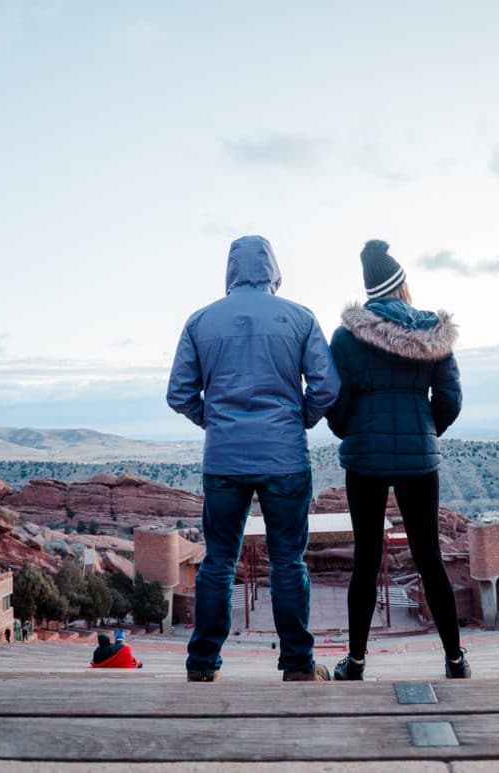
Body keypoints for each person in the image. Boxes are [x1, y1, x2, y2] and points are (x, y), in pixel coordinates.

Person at [167, 235, 340, 683]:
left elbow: (179, 394)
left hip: (223, 459)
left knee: (219, 562)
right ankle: (299, 665)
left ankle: (202, 665)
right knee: (288, 562)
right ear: (272, 269)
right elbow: (327, 387)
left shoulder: (200, 321)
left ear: (230, 270)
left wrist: (216, 421)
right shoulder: (299, 318)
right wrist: (297, 418)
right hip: (285, 457)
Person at [326, 239, 469, 680]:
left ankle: (356, 662)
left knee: (366, 560)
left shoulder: (347, 337)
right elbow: (450, 398)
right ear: (402, 286)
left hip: (365, 461)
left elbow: (335, 400)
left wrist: (350, 431)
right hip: (419, 461)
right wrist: (426, 432)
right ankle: (454, 659)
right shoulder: (431, 333)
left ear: (370, 291)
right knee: (429, 556)